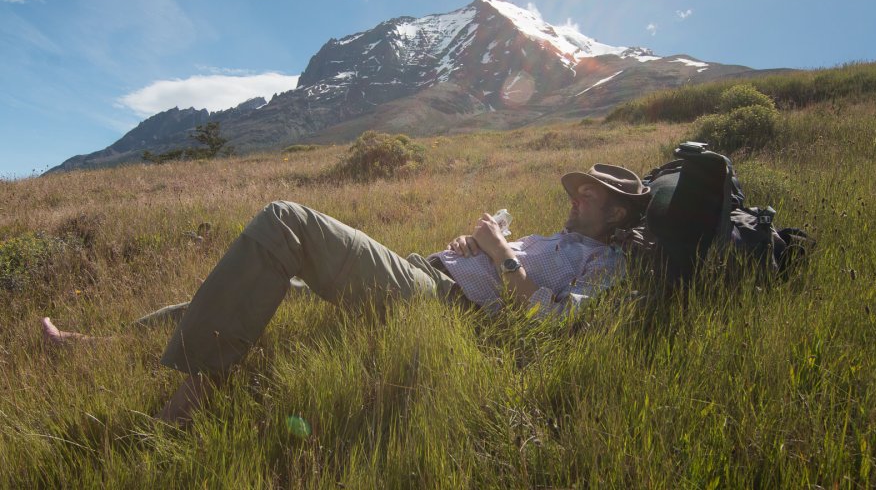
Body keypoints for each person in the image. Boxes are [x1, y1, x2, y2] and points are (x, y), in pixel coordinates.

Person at [42, 163, 649, 424]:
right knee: (280, 287)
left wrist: (499, 252)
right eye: (576, 192)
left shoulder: (607, 267)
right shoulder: (557, 237)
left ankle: (196, 390)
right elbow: (500, 264)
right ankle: (104, 342)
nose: (575, 201)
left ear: (618, 212)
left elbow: (547, 323)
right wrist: (472, 245)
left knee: (287, 222)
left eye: (588, 197)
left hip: (442, 307)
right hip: (426, 272)